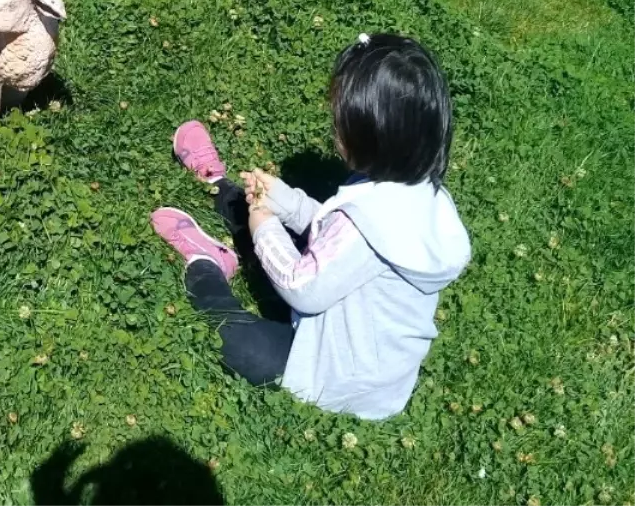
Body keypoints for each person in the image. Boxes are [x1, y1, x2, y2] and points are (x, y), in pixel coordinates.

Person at [152, 34, 471, 420]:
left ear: (373, 139)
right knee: (264, 216)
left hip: (331, 378)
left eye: (341, 125)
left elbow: (301, 287)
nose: (334, 131)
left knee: (241, 344)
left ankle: (208, 266)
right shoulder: (416, 193)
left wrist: (265, 224)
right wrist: (287, 203)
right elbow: (334, 233)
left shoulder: (366, 223)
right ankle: (218, 184)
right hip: (376, 377)